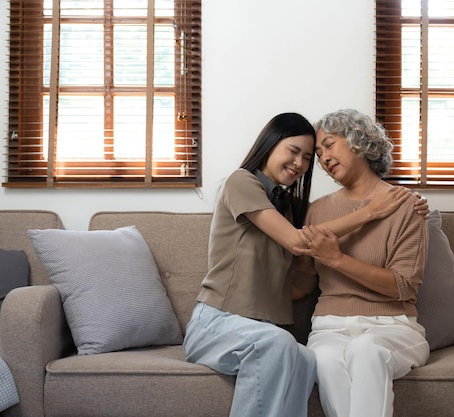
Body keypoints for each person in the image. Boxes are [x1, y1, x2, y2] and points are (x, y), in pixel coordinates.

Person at [182, 112, 427, 417]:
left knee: (305, 358)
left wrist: (413, 204)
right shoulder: (241, 182)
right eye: (295, 152)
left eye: (309, 156)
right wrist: (370, 211)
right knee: (280, 343)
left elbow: (302, 282)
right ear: (270, 145)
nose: (303, 163)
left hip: (264, 329)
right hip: (220, 320)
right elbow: (299, 242)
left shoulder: (295, 209)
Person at [292, 109, 430, 417]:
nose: (323, 157)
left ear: (359, 142)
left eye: (330, 144)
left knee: (365, 351)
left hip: (392, 327)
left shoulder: (405, 205)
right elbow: (301, 283)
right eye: (318, 153)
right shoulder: (316, 211)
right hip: (328, 328)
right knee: (324, 360)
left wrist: (337, 259)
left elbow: (404, 286)